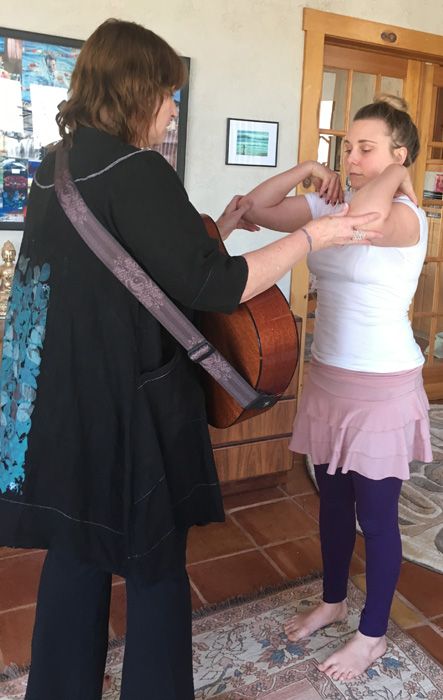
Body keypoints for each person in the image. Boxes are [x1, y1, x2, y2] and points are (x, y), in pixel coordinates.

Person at [0, 19, 380, 700]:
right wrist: (314, 237)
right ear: (136, 90)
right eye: (166, 95)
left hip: (65, 399)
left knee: (77, 551)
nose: (172, 110)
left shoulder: (58, 166)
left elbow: (110, 269)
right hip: (131, 406)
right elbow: (218, 286)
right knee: (154, 567)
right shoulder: (138, 167)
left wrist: (217, 230)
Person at [234, 94, 433, 682]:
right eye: (347, 147)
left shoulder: (407, 216)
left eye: (366, 148)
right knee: (332, 505)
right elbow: (254, 209)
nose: (351, 159)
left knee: (377, 515)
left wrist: (397, 175)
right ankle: (333, 601)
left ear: (399, 154)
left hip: (382, 387)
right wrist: (306, 169)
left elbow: (365, 219)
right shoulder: (331, 202)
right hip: (327, 378)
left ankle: (372, 636)